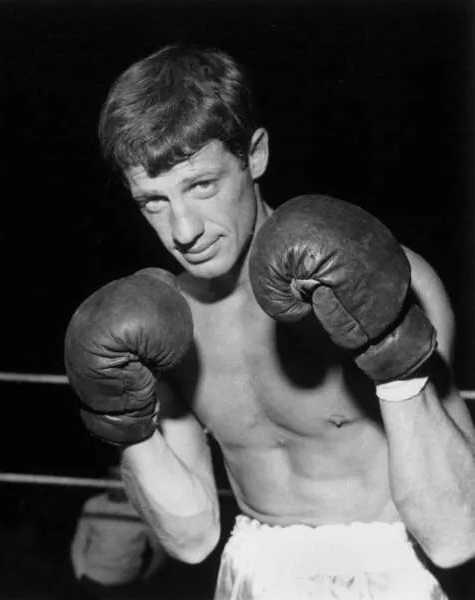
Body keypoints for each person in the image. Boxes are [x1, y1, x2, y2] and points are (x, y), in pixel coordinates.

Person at [64, 44, 475, 599]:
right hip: (252, 571)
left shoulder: (385, 277)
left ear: (254, 155)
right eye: (153, 202)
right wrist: (125, 422)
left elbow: (457, 536)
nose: (183, 229)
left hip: (389, 570)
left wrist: (395, 356)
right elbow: (191, 538)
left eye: (201, 185)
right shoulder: (165, 324)